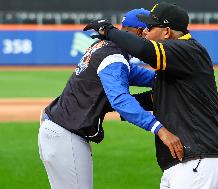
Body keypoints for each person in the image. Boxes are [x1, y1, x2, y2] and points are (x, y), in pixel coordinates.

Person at [83, 2, 218, 189]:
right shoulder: (176, 61)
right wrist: (108, 106)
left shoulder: (187, 49)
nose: (145, 32)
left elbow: (143, 50)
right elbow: (156, 99)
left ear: (167, 32)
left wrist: (108, 30)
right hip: (186, 161)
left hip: (199, 157)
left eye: (150, 27)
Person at [38, 8, 183, 189]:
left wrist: (176, 83)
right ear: (139, 32)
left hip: (58, 131)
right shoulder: (113, 57)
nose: (150, 35)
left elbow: (140, 75)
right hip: (66, 136)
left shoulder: (109, 49)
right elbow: (120, 99)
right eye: (149, 29)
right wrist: (159, 129)